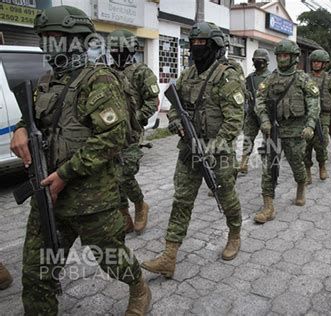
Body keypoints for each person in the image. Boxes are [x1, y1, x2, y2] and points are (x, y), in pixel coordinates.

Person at [9, 5, 150, 315]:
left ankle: (138, 285)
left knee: (111, 260)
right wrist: (20, 129)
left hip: (91, 199)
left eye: (55, 37)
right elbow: (31, 119)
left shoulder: (98, 79)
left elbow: (112, 137)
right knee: (37, 274)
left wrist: (65, 174)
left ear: (76, 40)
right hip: (47, 195)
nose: (47, 44)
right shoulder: (46, 80)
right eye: (43, 37)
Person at [141, 22, 245, 277]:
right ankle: (169, 255)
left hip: (217, 152)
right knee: (182, 200)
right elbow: (174, 106)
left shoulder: (228, 74)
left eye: (203, 44)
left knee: (225, 195)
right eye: (194, 44)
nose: (197, 49)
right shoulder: (187, 75)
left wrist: (213, 148)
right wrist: (177, 122)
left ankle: (234, 233)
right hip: (189, 148)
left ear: (216, 47)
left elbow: (235, 120)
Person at [254, 39, 320, 223]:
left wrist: (310, 125)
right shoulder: (270, 79)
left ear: (294, 58)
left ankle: (301, 185)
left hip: (296, 131)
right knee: (269, 168)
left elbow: (314, 103)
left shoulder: (303, 79)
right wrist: (264, 120)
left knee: (297, 164)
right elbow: (259, 100)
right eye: (280, 55)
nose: (282, 59)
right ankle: (268, 207)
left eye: (285, 55)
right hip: (273, 130)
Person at [107, 29, 159, 235]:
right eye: (114, 49)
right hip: (110, 133)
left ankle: (139, 205)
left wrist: (136, 119)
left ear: (131, 50)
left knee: (125, 174)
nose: (117, 53)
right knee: (113, 176)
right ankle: (123, 215)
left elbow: (152, 101)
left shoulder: (141, 72)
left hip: (131, 134)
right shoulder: (107, 72)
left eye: (121, 49)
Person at [305, 49, 331, 183]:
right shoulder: (305, 78)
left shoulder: (330, 79)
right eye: (314, 62)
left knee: (321, 143)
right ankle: (307, 170)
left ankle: (322, 165)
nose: (316, 64)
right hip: (307, 116)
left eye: (318, 62)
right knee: (306, 145)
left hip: (324, 117)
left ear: (324, 64)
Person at [238, 48, 272, 174]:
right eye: (255, 60)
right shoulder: (250, 78)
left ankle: (268, 165)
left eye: (260, 60)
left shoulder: (271, 77)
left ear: (266, 62)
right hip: (252, 113)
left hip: (266, 114)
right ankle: (244, 162)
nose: (257, 62)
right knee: (248, 137)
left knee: (268, 140)